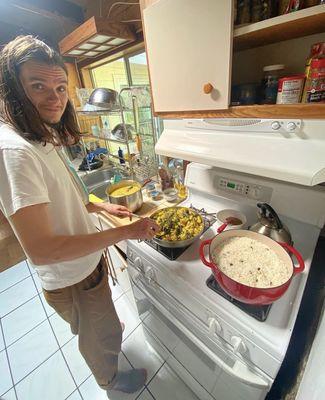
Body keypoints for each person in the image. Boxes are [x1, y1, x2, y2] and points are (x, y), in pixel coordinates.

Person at [0, 35, 159, 395]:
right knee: (97, 335)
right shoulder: (15, 152)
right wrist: (125, 232)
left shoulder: (40, 134)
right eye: (37, 86)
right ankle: (111, 379)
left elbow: (63, 190)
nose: (54, 98)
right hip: (71, 275)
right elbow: (42, 250)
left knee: (97, 324)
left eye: (60, 86)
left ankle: (100, 329)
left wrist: (97, 205)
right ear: (11, 89)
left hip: (83, 266)